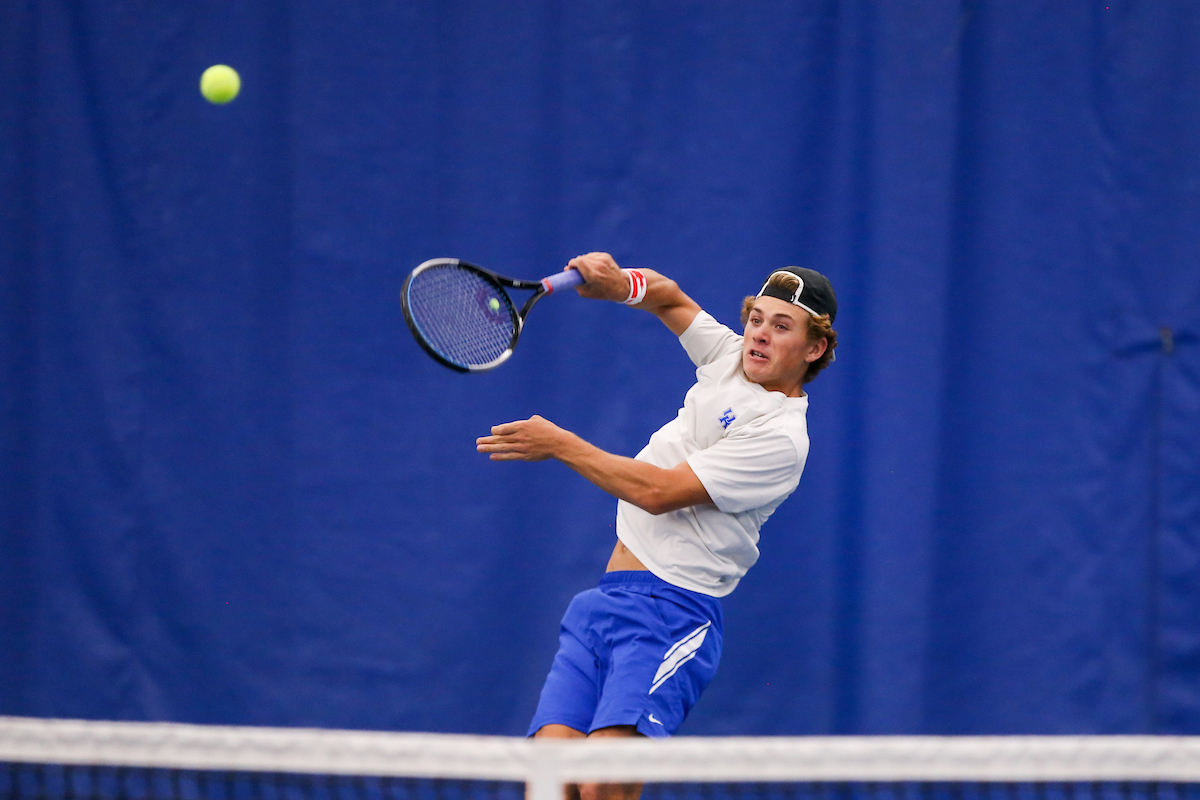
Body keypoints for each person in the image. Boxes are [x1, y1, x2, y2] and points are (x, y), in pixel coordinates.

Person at [475, 252, 837, 796]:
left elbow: (656, 492)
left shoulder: (781, 438)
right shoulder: (730, 359)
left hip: (671, 616)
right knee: (546, 781)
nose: (758, 335)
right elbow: (668, 296)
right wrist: (620, 283)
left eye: (780, 326)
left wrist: (560, 445)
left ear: (815, 348)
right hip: (603, 603)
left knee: (602, 786)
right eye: (755, 319)